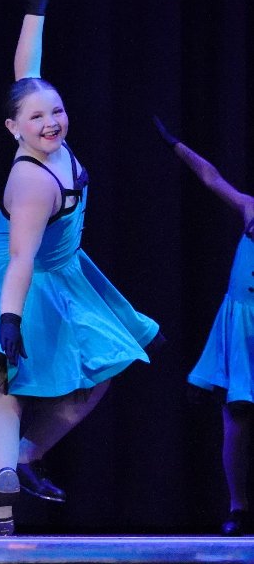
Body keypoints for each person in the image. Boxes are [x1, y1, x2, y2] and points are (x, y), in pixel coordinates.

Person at [0, 0, 162, 536]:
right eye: (37, 117)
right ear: (14, 129)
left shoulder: (49, 134)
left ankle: (28, 458)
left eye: (56, 110)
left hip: (60, 275)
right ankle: (4, 508)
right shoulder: (31, 179)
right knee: (1, 397)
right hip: (10, 280)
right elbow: (21, 259)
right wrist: (7, 319)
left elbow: (25, 75)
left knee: (100, 371)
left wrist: (36, 11)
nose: (52, 121)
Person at [154, 115, 254, 536]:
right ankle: (240, 508)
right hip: (242, 322)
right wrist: (176, 144)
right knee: (237, 416)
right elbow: (211, 179)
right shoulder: (251, 205)